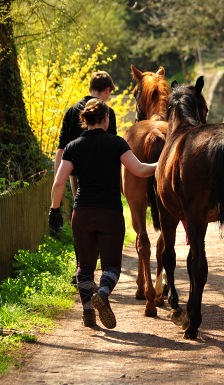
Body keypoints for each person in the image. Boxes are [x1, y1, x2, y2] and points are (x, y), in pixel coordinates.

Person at [49, 98, 157, 328]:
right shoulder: (116, 143)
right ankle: (104, 293)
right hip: (110, 215)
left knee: (85, 268)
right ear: (106, 118)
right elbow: (139, 170)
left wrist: (54, 210)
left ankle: (88, 311)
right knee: (111, 267)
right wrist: (164, 162)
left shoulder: (73, 147)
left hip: (83, 214)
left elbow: (59, 183)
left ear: (84, 120)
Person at [54, 71, 117, 284]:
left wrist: (57, 180)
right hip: (103, 174)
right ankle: (100, 267)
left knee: (80, 215)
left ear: (90, 86)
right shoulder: (107, 111)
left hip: (76, 173)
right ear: (107, 90)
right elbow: (113, 146)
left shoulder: (71, 111)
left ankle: (80, 267)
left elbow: (61, 147)